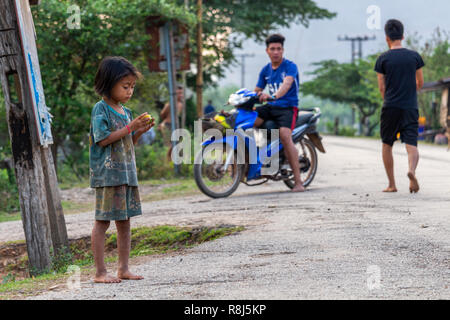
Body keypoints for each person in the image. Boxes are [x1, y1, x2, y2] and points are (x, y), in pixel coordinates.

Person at [90, 56, 154, 283]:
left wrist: (139, 131)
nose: (129, 92)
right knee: (103, 221)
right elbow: (103, 139)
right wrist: (130, 127)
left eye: (132, 87)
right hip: (108, 175)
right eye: (125, 87)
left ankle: (123, 268)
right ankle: (99, 272)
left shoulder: (125, 111)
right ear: (108, 84)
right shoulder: (101, 109)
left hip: (125, 174)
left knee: (125, 221)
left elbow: (128, 142)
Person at [375, 19, 425, 193]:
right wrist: (410, 91)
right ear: (403, 36)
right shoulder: (414, 56)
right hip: (410, 106)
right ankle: (411, 170)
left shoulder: (382, 59)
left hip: (390, 106)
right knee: (411, 143)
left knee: (387, 144)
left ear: (387, 37)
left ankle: (392, 184)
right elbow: (420, 81)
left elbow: (381, 87)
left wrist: (387, 98)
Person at [254, 33, 305, 192]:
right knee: (250, 121)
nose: (276, 52)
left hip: (288, 107)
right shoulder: (265, 70)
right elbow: (257, 90)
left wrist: (273, 96)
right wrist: (249, 98)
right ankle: (259, 163)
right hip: (271, 106)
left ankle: (298, 182)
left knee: (284, 135)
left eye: (278, 49)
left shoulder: (290, 66)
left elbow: (287, 84)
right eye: (272, 49)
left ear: (283, 50)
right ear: (267, 51)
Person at [158, 85, 184, 160]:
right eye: (179, 93)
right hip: (167, 125)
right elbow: (162, 114)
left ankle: (171, 162)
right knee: (169, 145)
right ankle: (167, 162)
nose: (180, 95)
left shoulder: (181, 104)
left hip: (174, 126)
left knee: (176, 145)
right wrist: (164, 123)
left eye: (181, 93)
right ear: (175, 94)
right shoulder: (169, 104)